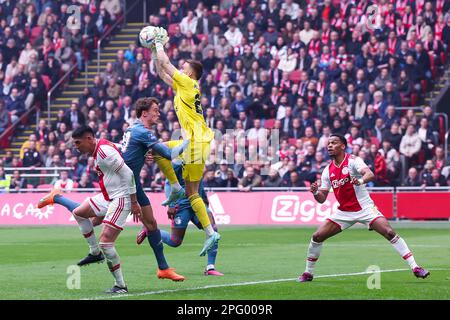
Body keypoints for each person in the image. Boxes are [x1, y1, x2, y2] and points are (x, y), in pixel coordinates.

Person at [298, 134, 429, 282]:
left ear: (342, 146)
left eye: (333, 143)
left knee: (389, 232)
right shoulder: (327, 170)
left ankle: (416, 267)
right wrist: (316, 191)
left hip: (365, 208)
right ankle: (308, 273)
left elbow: (370, 174)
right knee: (317, 236)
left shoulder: (353, 161)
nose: (329, 146)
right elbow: (321, 198)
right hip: (344, 212)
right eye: (328, 143)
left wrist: (360, 180)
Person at [37, 126, 141, 294]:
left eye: (78, 143)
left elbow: (128, 174)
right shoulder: (101, 147)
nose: (76, 147)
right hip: (108, 196)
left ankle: (120, 285)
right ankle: (94, 253)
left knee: (106, 243)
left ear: (89, 139)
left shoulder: (103, 152)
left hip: (121, 197)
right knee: (78, 213)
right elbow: (122, 148)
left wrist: (134, 202)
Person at [151, 27, 221, 256]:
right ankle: (211, 233)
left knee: (157, 149)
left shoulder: (189, 84)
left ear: (190, 74)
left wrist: (159, 43)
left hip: (195, 142)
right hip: (198, 142)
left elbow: (166, 62)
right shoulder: (184, 87)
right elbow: (162, 72)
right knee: (192, 193)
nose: (180, 70)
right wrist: (153, 50)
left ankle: (173, 188)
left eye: (184, 69)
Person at [121, 97, 190, 281]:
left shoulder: (133, 129)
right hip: (122, 186)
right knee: (95, 218)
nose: (158, 113)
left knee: (151, 225)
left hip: (133, 183)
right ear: (144, 113)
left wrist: (144, 156)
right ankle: (58, 199)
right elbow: (168, 153)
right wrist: (189, 140)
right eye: (155, 110)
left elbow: (127, 154)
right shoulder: (143, 132)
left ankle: (163, 268)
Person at [136, 160, 224, 276]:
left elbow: (199, 181)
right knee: (175, 241)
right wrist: (171, 204)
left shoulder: (198, 160)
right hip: (181, 205)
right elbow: (169, 183)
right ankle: (150, 230)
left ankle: (210, 267)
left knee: (213, 230)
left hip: (197, 203)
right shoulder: (178, 164)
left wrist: (205, 200)